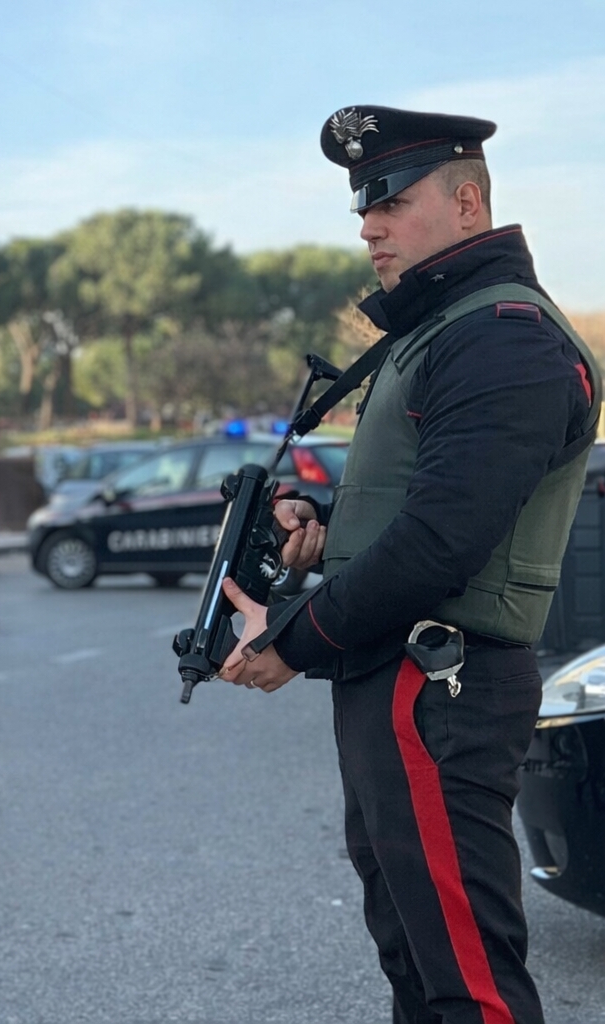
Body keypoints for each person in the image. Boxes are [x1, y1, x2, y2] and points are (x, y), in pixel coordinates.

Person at [220, 107, 599, 1024]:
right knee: (418, 959)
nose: (368, 226)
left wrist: (292, 642)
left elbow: (443, 540)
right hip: (407, 679)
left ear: (468, 202)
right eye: (361, 205)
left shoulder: (503, 333)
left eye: (390, 197)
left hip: (439, 682)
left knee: (467, 983)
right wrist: (325, 529)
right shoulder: (446, 329)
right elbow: (417, 507)